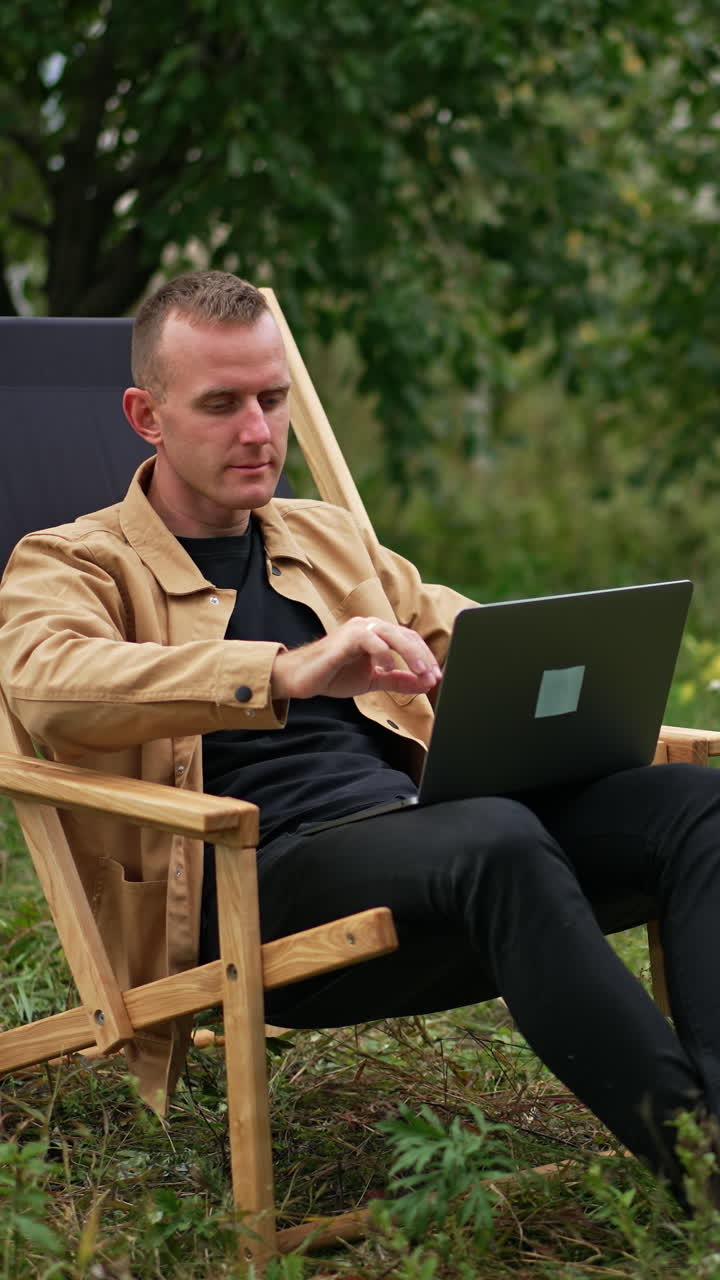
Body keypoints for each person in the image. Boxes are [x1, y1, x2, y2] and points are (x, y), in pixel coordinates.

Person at [1, 270, 720, 1205]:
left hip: (422, 837)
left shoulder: (326, 538)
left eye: (272, 399)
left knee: (694, 807)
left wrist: (537, 669)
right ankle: (700, 1167)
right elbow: (48, 684)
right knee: (496, 836)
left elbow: (461, 632)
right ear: (147, 416)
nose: (258, 431)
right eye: (221, 404)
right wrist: (283, 671)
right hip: (252, 883)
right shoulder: (71, 561)